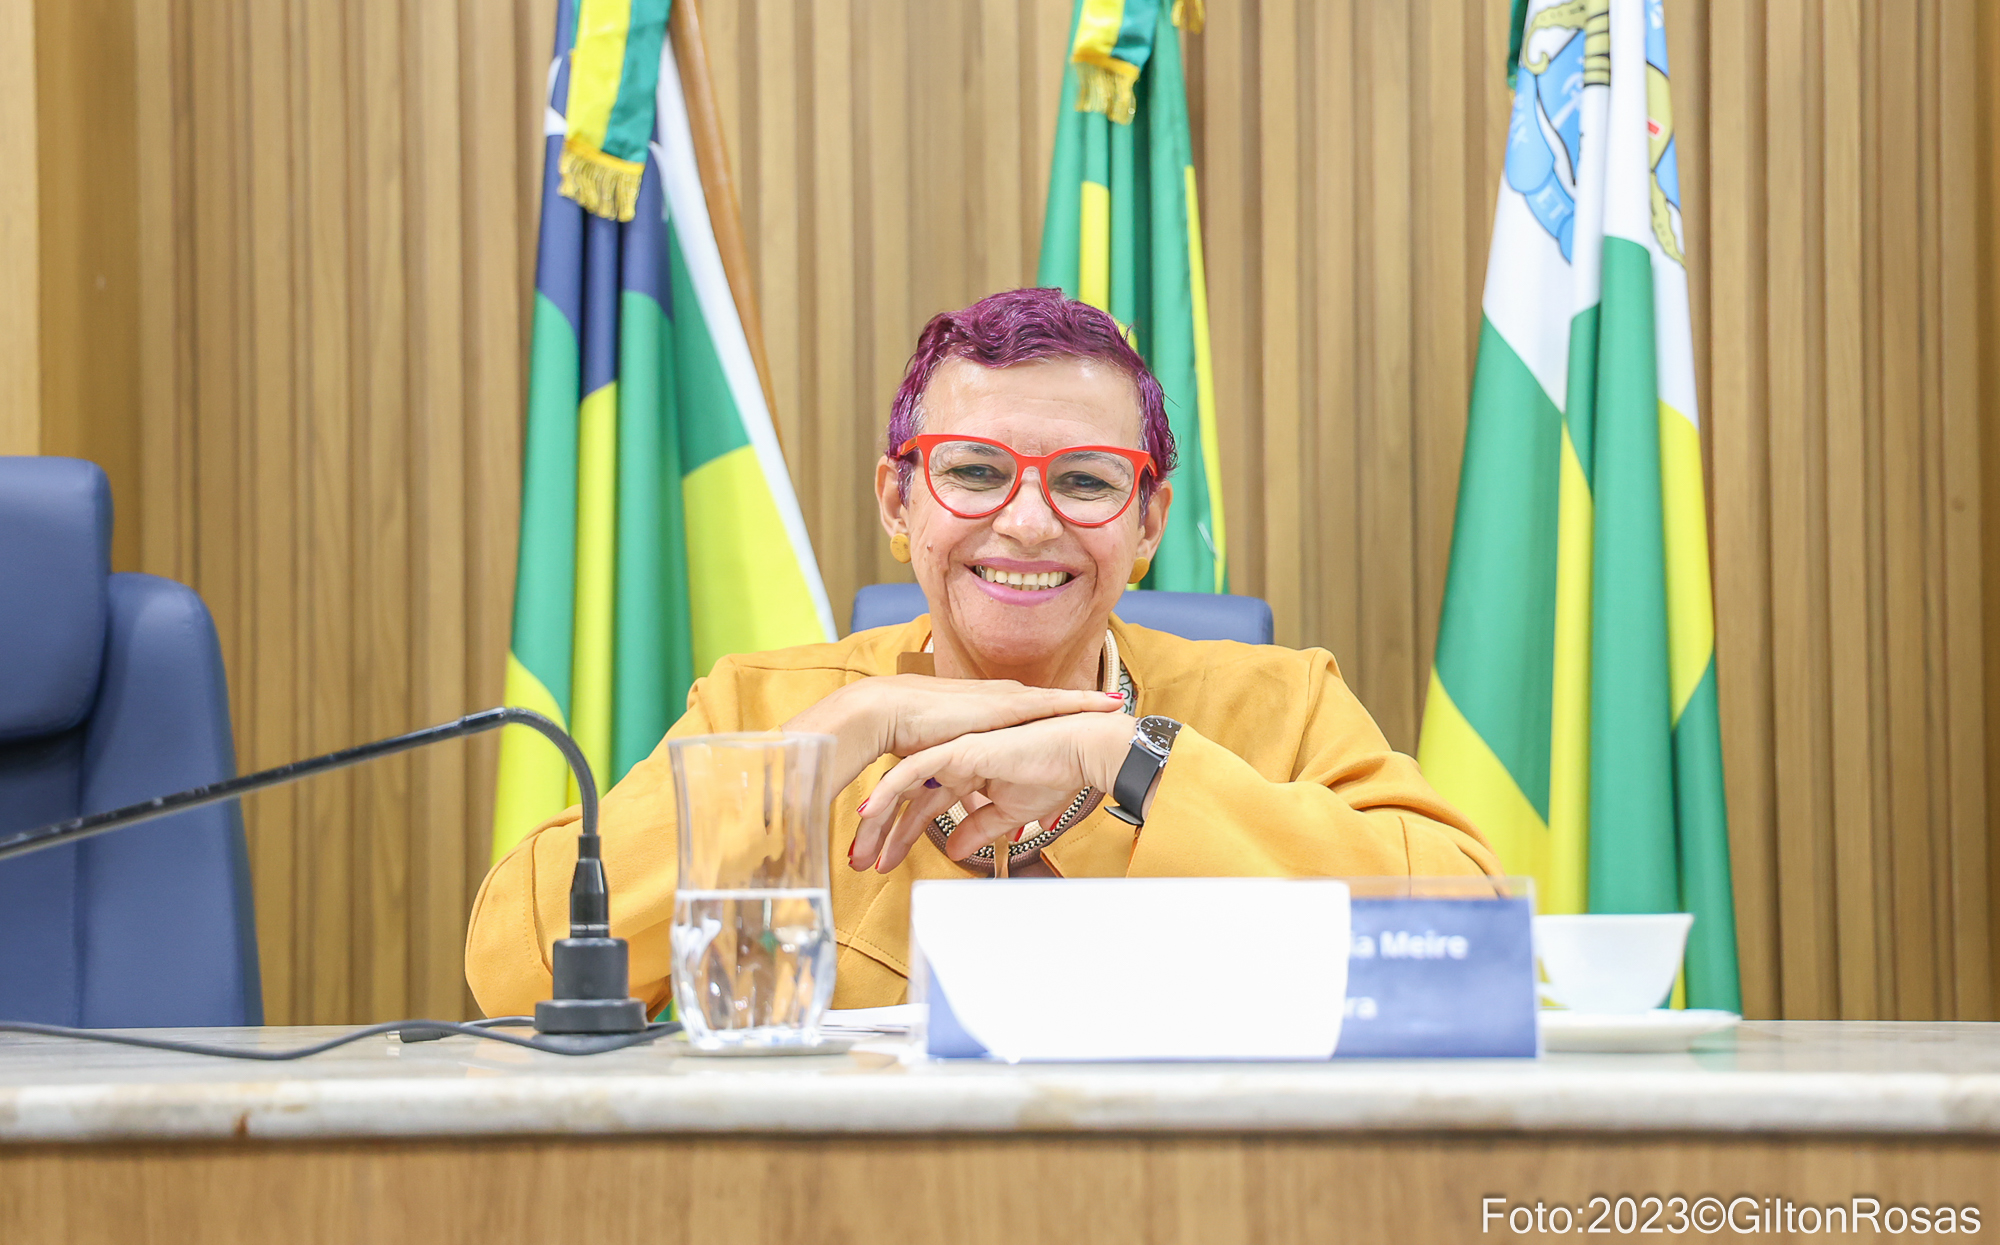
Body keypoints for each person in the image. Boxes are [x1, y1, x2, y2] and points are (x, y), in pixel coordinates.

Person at [465, 288, 1499, 1015]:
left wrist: (1122, 759)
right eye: (973, 472)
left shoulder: (1282, 706)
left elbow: (1477, 942)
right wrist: (827, 746)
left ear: (1147, 523)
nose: (1028, 522)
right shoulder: (762, 709)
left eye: (1086, 481)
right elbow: (513, 968)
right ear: (898, 500)